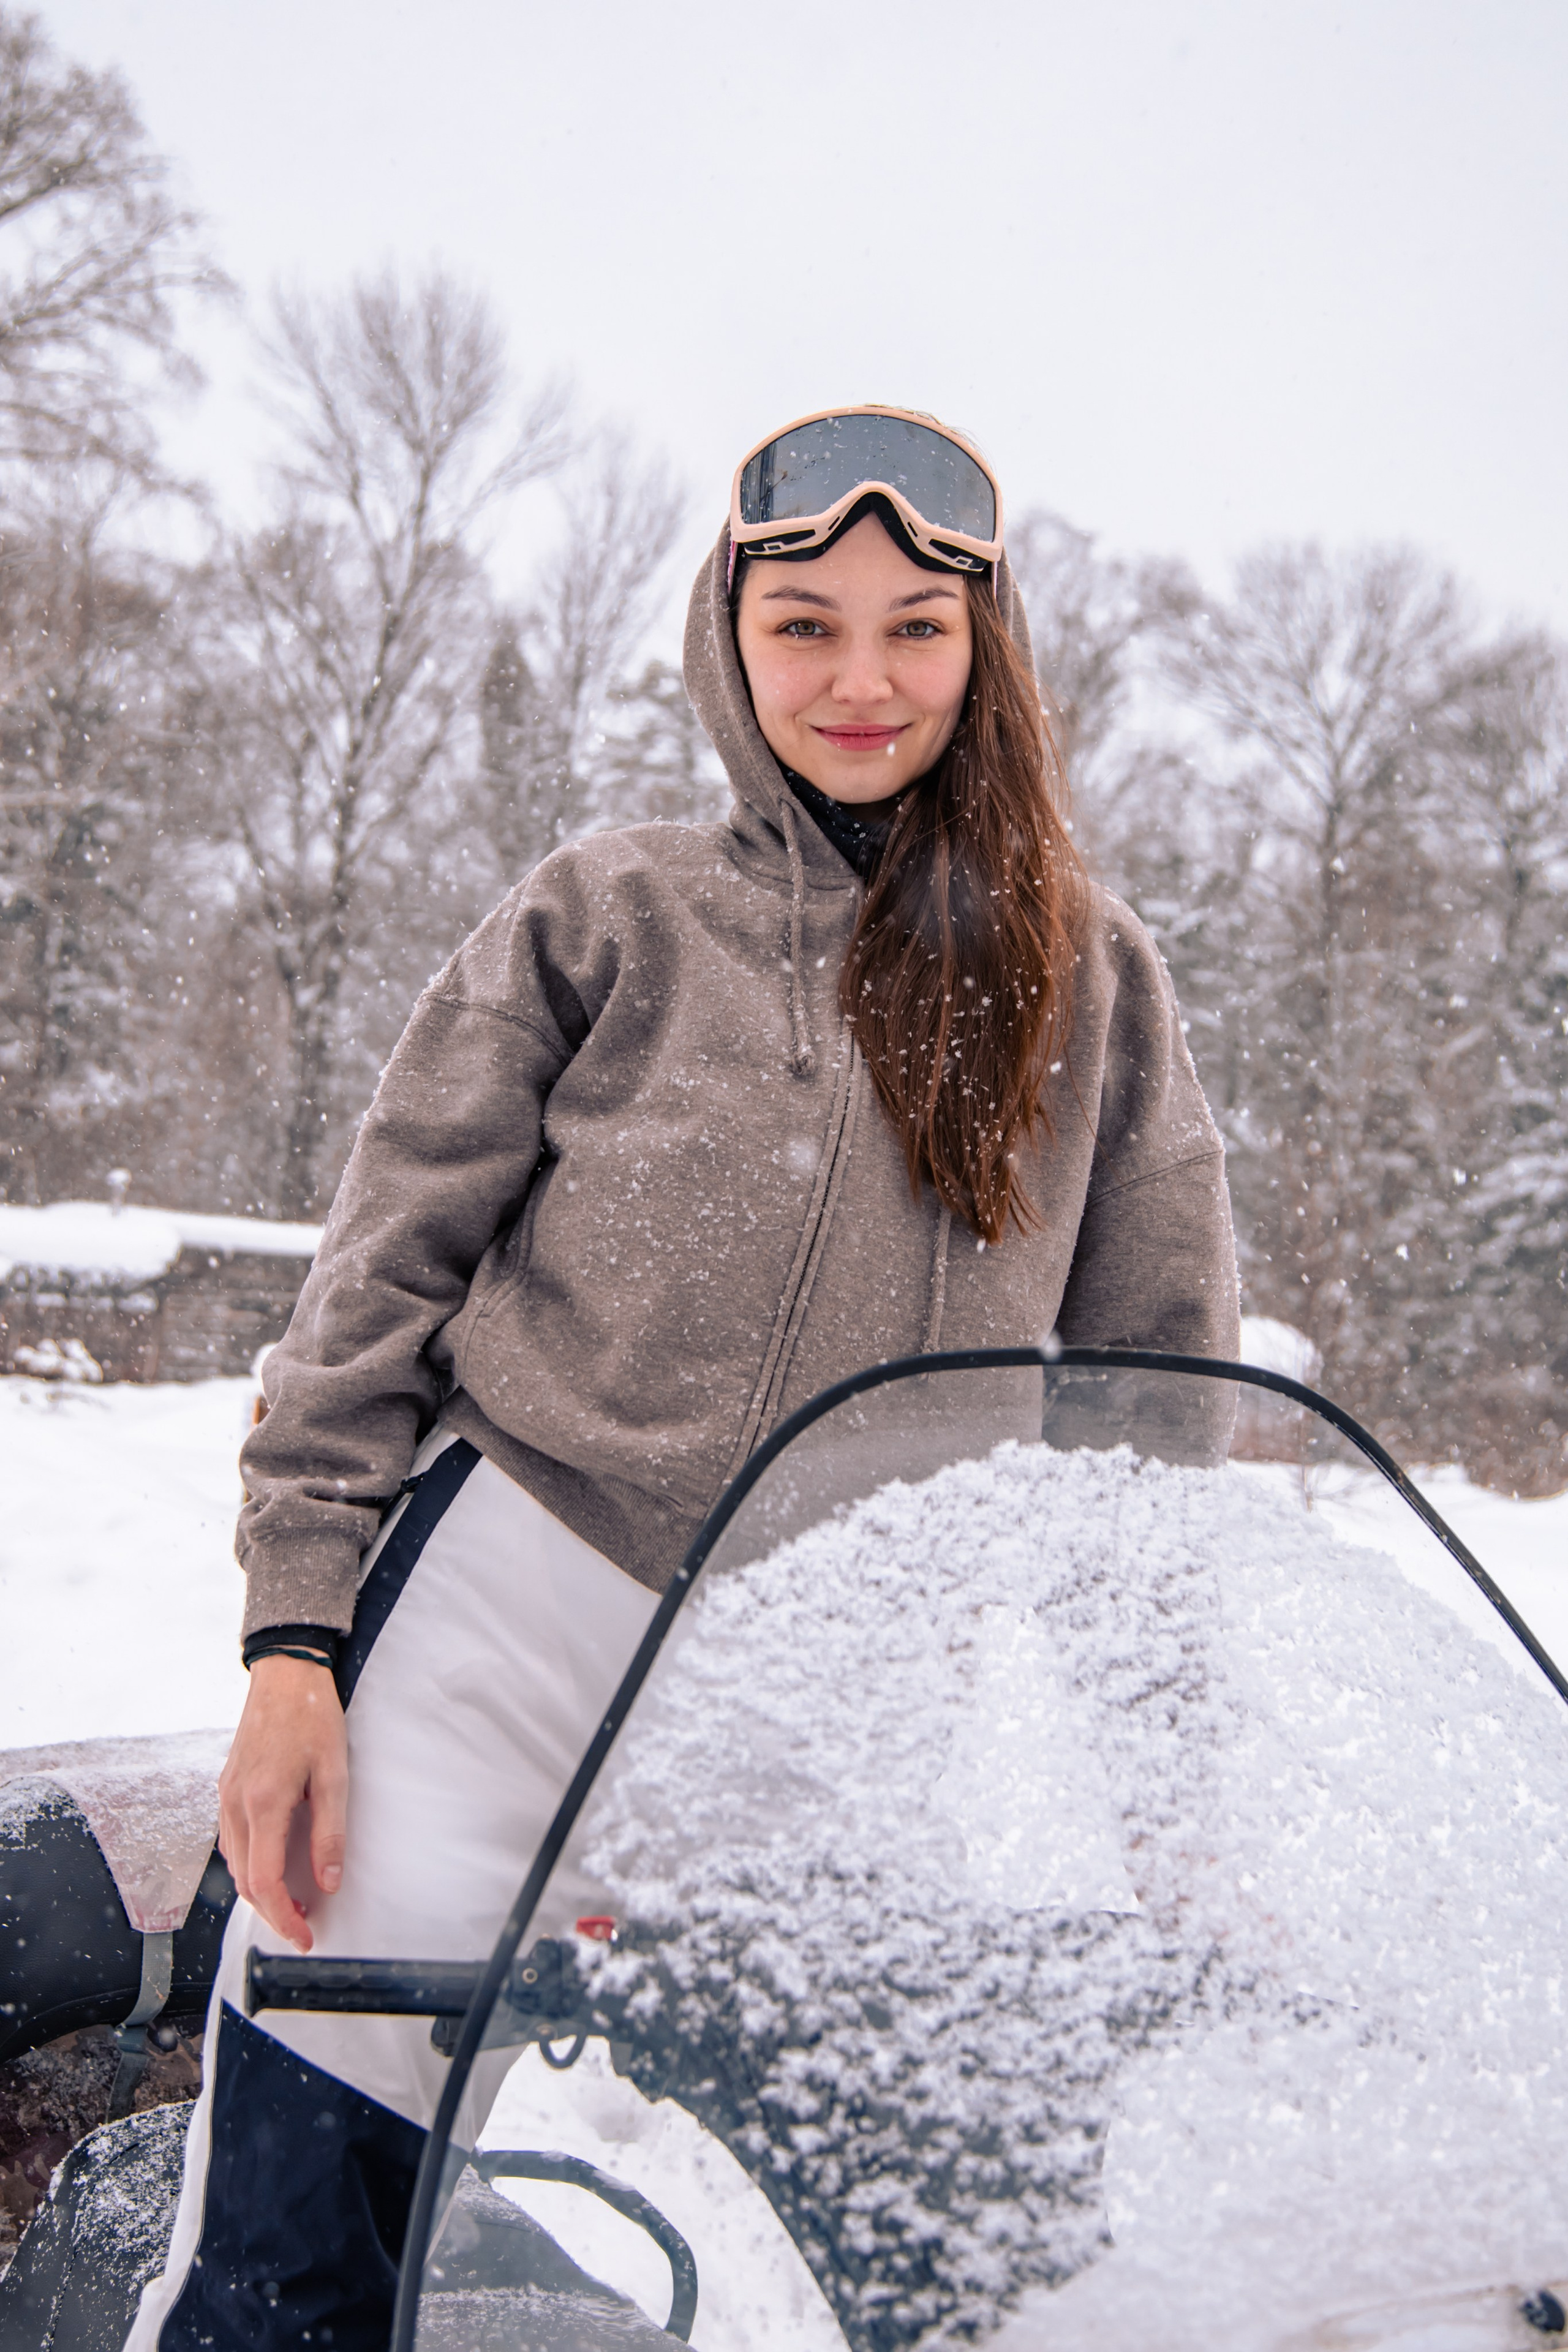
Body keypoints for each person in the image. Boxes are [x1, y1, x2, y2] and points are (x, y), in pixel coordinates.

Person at [127, 405, 1238, 2351]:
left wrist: (1173, 1792)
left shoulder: (1097, 982)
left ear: (990, 654)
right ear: (731, 641)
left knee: (946, 2253)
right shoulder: (607, 913)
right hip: (511, 1614)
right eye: (805, 624)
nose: (863, 677)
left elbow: (1157, 1410)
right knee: (297, 2231)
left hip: (846, 1688)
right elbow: (379, 1280)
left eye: (916, 627)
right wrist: (294, 1646)